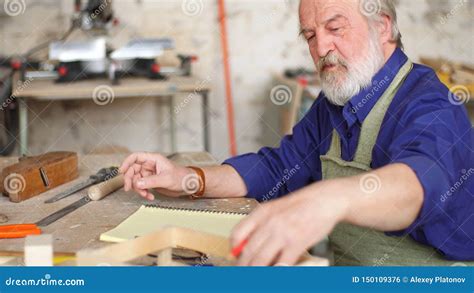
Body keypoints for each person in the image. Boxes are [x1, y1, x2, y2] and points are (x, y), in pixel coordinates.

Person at [119, 0, 474, 266]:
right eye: (310, 35)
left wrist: (327, 200)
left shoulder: (431, 104)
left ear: (381, 26)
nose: (321, 50)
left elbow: (417, 186)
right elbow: (279, 168)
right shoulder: (338, 101)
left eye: (335, 30)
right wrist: (190, 179)